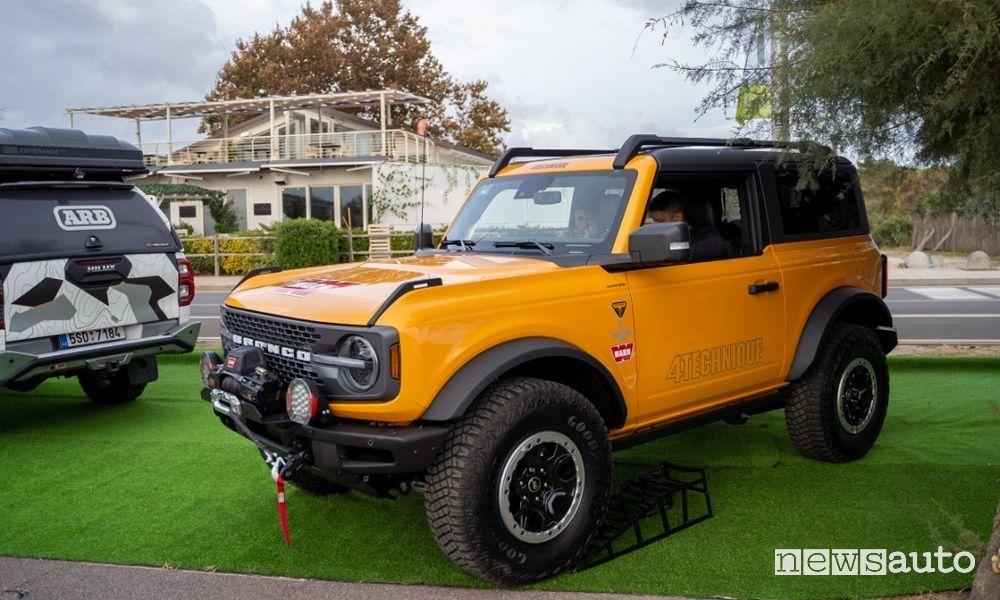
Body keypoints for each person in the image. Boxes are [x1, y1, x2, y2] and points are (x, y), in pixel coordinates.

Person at [646, 190, 728, 260]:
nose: (655, 225)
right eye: (654, 221)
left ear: (677, 217)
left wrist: (670, 252)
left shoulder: (705, 235)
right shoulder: (662, 237)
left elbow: (717, 246)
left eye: (660, 221)